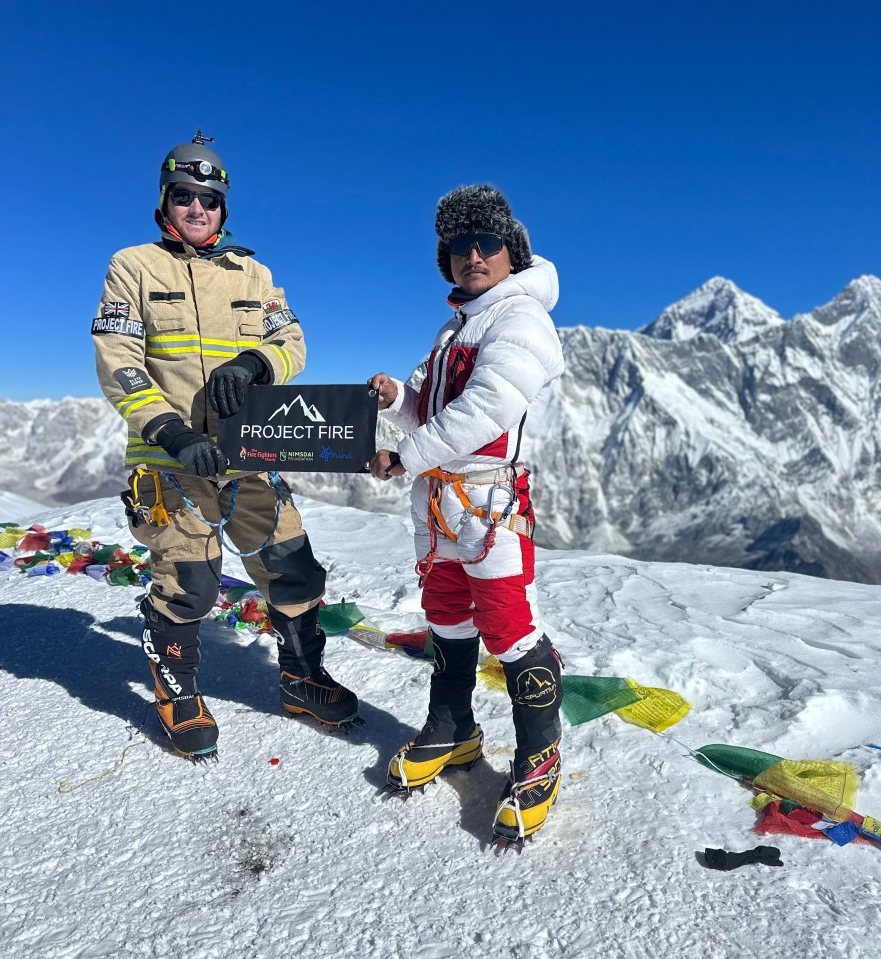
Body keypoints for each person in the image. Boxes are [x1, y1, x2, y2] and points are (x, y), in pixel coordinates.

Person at [92, 132, 359, 760]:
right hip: (169, 460)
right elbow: (118, 362)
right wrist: (174, 434)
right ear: (165, 200)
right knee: (190, 582)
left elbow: (291, 338)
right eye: (183, 196)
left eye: (208, 199)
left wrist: (255, 363)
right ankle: (178, 692)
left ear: (223, 208)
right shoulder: (133, 267)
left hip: (251, 455)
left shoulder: (253, 273)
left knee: (292, 565)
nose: (196, 208)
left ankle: (300, 677)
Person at [368, 184, 566, 845]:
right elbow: (428, 411)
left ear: (512, 252)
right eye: (457, 246)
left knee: (510, 626)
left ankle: (540, 753)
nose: (471, 255)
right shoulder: (456, 326)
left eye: (485, 244)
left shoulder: (522, 319)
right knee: (447, 618)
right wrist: (397, 401)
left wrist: (406, 455)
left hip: (492, 499)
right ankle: (452, 729)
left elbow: (485, 410)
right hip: (445, 502)